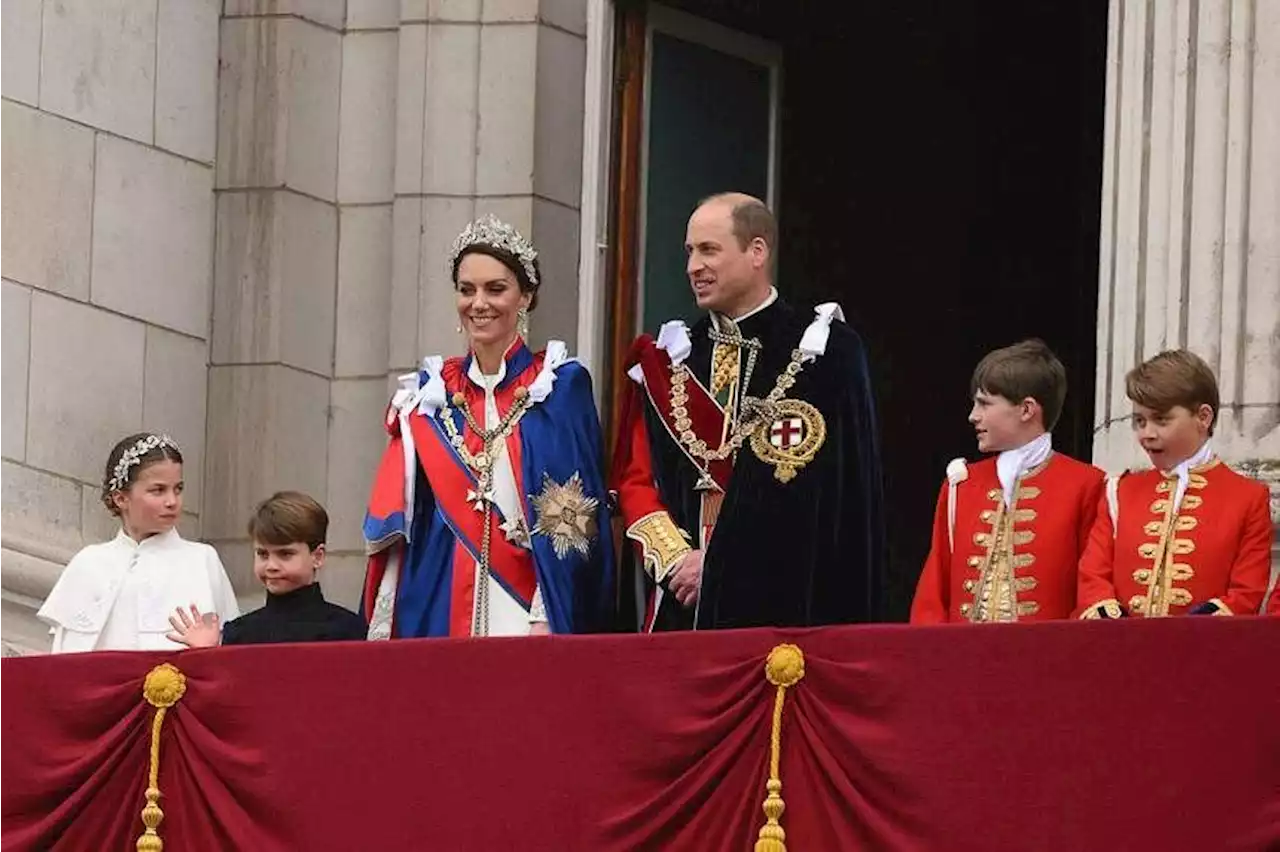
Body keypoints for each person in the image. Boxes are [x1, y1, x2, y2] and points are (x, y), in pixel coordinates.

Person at [611, 192, 884, 630]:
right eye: (689, 252)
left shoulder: (827, 353)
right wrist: (677, 561)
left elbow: (841, 503)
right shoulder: (670, 362)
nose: (692, 267)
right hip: (683, 608)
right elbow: (636, 480)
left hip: (786, 609)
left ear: (756, 251)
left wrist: (721, 567)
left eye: (708, 250)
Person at [360, 214, 614, 638]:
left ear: (525, 297)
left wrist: (545, 613)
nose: (479, 303)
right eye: (467, 290)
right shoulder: (431, 395)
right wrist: (385, 619)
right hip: (440, 601)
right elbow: (406, 516)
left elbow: (576, 509)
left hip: (528, 608)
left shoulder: (558, 386)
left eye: (496, 289)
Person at [910, 340, 1105, 623]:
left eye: (984, 404)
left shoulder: (1087, 484)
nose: (973, 415)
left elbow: (1089, 591)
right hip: (963, 660)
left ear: (1026, 410)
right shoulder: (961, 485)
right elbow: (933, 591)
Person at [1076, 349, 1273, 617]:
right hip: (1120, 649)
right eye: (1140, 421)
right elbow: (1093, 575)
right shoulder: (1119, 491)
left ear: (1203, 417)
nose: (1147, 434)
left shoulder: (1248, 498)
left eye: (1161, 419)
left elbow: (1246, 592)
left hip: (1203, 652)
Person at [37, 433, 239, 653]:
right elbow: (65, 660)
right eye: (158, 490)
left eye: (178, 489)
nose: (172, 502)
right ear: (121, 498)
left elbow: (230, 652)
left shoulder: (202, 559)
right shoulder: (89, 563)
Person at [166, 491, 366, 646]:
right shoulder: (238, 633)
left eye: (285, 554)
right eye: (262, 554)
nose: (271, 566)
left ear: (318, 556)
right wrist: (208, 655)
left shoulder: (348, 629)